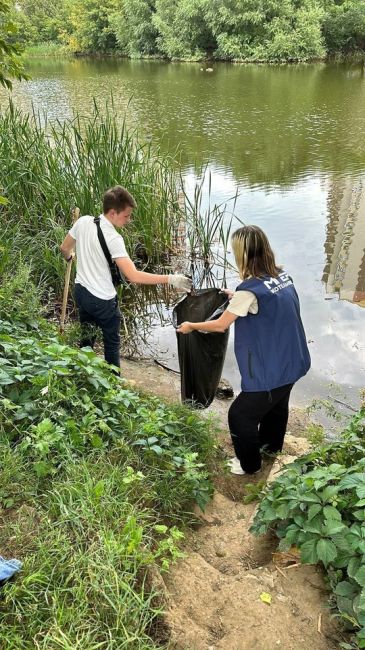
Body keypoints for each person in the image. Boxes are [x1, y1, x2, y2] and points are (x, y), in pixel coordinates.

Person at [177, 225, 310, 475]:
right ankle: (271, 448)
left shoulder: (248, 290)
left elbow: (220, 324)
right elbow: (259, 301)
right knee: (276, 406)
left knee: (240, 416)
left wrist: (191, 325)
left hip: (271, 372)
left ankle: (249, 466)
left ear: (244, 254)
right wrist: (234, 295)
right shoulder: (283, 277)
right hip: (295, 361)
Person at [60, 185, 191, 372]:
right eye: (126, 215)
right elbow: (134, 276)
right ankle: (113, 389)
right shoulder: (114, 238)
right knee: (111, 344)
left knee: (87, 338)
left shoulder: (83, 222)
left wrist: (70, 258)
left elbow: (64, 248)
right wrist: (170, 278)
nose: (129, 220)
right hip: (103, 300)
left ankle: (84, 376)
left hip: (81, 293)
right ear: (112, 213)